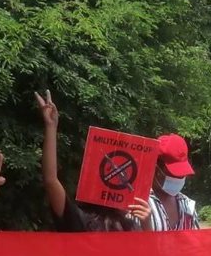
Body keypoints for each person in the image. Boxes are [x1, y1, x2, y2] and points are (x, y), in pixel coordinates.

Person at [34, 90, 150, 231]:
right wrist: (51, 127)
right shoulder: (79, 220)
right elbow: (51, 181)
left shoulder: (131, 227)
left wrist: (147, 226)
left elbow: (146, 252)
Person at [148, 133, 200, 231]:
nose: (179, 178)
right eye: (174, 174)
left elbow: (197, 244)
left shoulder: (188, 206)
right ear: (156, 168)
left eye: (182, 174)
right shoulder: (140, 204)